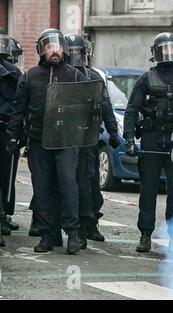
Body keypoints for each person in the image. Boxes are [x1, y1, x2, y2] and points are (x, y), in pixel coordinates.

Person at [7, 28, 87, 254]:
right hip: (39, 141)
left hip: (66, 141)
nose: (55, 50)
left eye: (58, 46)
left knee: (68, 185)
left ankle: (72, 233)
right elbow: (18, 109)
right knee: (42, 189)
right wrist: (13, 136)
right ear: (42, 50)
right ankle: (47, 235)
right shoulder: (30, 76)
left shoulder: (74, 75)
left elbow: (86, 108)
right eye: (50, 46)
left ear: (64, 49)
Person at [123, 32, 173, 255]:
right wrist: (129, 138)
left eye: (171, 49)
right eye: (163, 49)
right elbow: (131, 110)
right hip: (152, 137)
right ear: (156, 53)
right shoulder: (145, 79)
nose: (167, 53)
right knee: (148, 189)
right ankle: (145, 235)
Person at [65, 34, 120, 249]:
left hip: (88, 138)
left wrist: (113, 132)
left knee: (89, 184)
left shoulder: (95, 77)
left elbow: (105, 105)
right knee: (72, 183)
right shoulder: (62, 75)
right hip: (66, 139)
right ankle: (73, 226)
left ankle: (89, 224)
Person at [0, 28, 22, 245]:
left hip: (7, 129)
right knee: (7, 176)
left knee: (7, 176)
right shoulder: (15, 73)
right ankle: (4, 216)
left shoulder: (14, 73)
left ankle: (4, 215)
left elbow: (20, 104)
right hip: (8, 130)